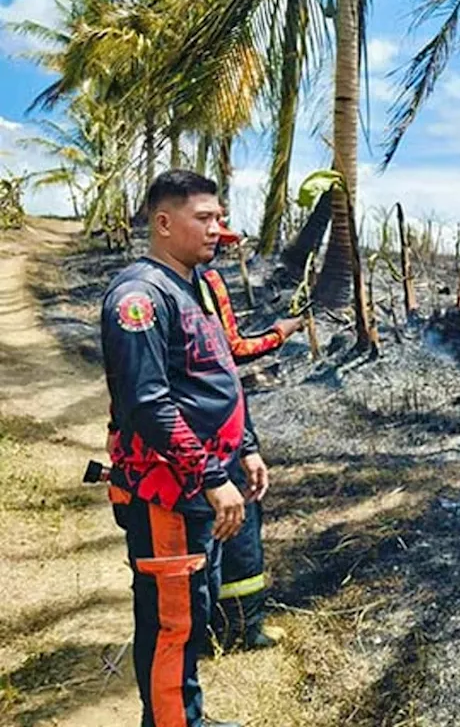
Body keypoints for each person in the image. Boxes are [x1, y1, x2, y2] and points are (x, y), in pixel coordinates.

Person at [101, 169, 263, 727]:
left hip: (200, 484)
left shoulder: (192, 287)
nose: (218, 229)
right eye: (205, 219)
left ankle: (181, 717)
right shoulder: (138, 298)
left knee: (193, 610)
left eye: (219, 217)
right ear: (164, 223)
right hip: (168, 493)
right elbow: (149, 403)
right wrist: (211, 479)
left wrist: (244, 447)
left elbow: (214, 378)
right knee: (172, 622)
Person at [200, 219, 304, 653]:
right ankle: (205, 633)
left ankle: (244, 626)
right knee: (207, 538)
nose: (214, 251)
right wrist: (281, 333)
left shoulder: (209, 283)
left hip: (228, 426)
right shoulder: (160, 292)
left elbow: (230, 351)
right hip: (196, 442)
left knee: (243, 533)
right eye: (212, 243)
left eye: (220, 245)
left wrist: (247, 443)